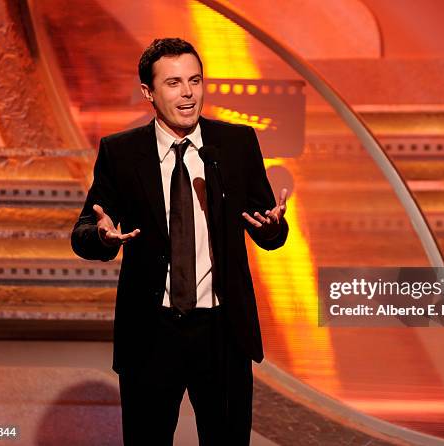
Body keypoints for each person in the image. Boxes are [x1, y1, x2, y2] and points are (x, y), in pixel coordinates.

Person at [71, 37, 288, 445]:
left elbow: (269, 228)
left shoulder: (238, 144)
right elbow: (84, 232)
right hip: (152, 333)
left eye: (195, 80)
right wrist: (103, 236)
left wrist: (271, 227)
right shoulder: (121, 152)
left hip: (223, 333)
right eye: (173, 83)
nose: (188, 93)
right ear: (148, 93)